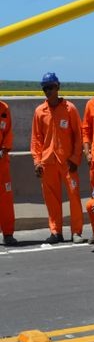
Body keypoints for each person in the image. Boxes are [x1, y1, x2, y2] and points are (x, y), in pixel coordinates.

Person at [31, 72, 84, 244]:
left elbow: (78, 135)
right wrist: (37, 162)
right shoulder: (40, 112)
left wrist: (76, 159)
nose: (48, 91)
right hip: (48, 162)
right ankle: (56, 231)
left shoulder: (70, 109)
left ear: (58, 87)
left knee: (74, 196)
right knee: (51, 199)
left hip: (67, 162)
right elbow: (36, 139)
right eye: (45, 88)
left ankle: (76, 231)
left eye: (51, 87)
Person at [0, 99, 16, 246]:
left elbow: (8, 131)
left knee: (5, 198)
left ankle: (8, 233)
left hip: (1, 161)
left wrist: (4, 149)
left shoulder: (4, 108)